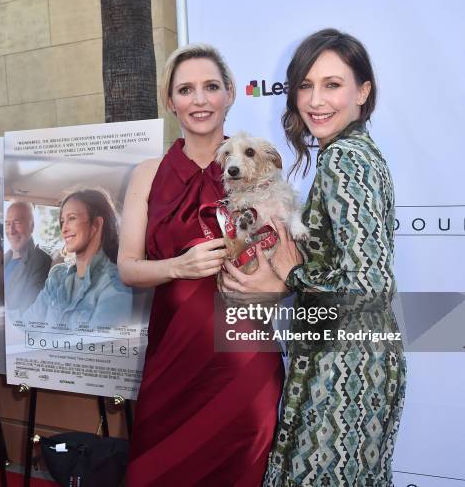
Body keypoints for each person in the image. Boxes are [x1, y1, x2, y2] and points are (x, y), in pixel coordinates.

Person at [221, 29, 407, 486]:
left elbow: (368, 283)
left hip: (345, 369)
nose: (315, 100)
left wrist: (291, 277)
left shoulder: (345, 158)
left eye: (332, 84)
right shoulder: (358, 152)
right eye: (305, 85)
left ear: (363, 91)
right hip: (357, 358)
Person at [118, 43, 284, 486]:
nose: (200, 99)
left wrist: (271, 281)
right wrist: (178, 266)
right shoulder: (148, 174)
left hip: (242, 358)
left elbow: (288, 267)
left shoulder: (258, 166)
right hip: (172, 358)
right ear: (170, 101)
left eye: (211, 86)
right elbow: (129, 268)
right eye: (186, 89)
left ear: (230, 93)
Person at [24, 189, 132, 327]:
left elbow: (97, 345)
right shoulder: (56, 277)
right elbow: (26, 325)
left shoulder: (114, 283)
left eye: (72, 218)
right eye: (62, 221)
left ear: (97, 224)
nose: (64, 229)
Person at [4, 201, 51, 312]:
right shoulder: (4, 259)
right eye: (7, 223)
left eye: (17, 223)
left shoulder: (41, 261)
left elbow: (28, 310)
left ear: (32, 227)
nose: (11, 231)